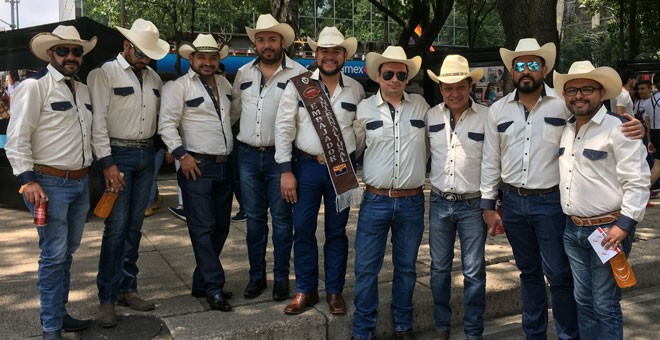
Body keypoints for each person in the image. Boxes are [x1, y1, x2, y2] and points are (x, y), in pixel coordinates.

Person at [480, 38, 643, 340]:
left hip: (551, 203)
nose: (525, 71)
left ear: (544, 68)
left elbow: (598, 123)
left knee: (559, 275)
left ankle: (569, 335)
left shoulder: (563, 103)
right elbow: (491, 159)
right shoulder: (498, 110)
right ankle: (535, 334)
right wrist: (488, 205)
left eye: (532, 64)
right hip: (513, 203)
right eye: (519, 65)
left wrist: (635, 128)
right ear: (512, 71)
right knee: (528, 275)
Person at [5, 25, 96, 340]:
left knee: (67, 253)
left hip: (81, 183)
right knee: (54, 255)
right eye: (63, 50)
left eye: (76, 51)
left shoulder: (82, 89)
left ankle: (60, 313)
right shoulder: (34, 87)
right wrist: (27, 180)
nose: (71, 56)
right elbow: (16, 139)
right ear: (50, 53)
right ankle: (50, 328)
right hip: (49, 185)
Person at [554, 60, 650, 340]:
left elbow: (638, 179)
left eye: (587, 89)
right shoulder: (567, 129)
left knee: (605, 304)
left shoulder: (620, 128)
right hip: (573, 231)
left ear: (601, 93)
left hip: (608, 232)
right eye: (572, 90)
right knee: (583, 300)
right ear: (565, 96)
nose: (579, 95)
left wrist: (624, 225)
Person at [275, 26, 365, 315]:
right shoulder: (297, 85)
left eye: (335, 51)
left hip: (341, 169)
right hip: (306, 169)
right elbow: (284, 128)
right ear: (315, 54)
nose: (329, 56)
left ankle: (335, 292)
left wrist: (353, 162)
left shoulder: (356, 88)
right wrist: (286, 170)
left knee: (337, 233)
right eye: (324, 51)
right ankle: (306, 290)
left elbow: (360, 131)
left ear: (344, 55)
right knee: (302, 229)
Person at [87, 18, 169, 327]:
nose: (145, 57)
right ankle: (107, 298)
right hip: (116, 156)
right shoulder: (103, 74)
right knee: (117, 227)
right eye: (140, 51)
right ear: (126, 46)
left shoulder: (154, 79)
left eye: (149, 52)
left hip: (147, 155)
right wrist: (106, 163)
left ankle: (127, 288)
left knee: (134, 226)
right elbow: (98, 124)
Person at [351, 46, 427, 340]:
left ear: (407, 79)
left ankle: (402, 326)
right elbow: (355, 148)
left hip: (412, 201)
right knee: (366, 269)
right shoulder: (364, 109)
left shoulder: (422, 107)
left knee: (407, 268)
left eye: (400, 74)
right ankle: (363, 330)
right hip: (375, 200)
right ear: (378, 77)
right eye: (388, 74)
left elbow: (432, 148)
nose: (394, 79)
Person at [230, 14, 307, 301]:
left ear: (282, 42)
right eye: (261, 39)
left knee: (283, 222)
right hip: (248, 157)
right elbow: (233, 114)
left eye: (272, 39)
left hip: (282, 159)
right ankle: (256, 277)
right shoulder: (243, 74)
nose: (266, 44)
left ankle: (280, 278)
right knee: (254, 222)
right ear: (255, 43)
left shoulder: (300, 74)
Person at [159, 34, 235, 312]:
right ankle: (214, 287)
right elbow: (166, 125)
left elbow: (232, 117)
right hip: (197, 166)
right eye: (202, 57)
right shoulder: (177, 87)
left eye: (212, 57)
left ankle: (201, 282)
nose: (207, 62)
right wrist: (182, 155)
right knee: (203, 229)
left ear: (218, 60)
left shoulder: (226, 85)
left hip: (225, 164)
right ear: (191, 59)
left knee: (221, 227)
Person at [426, 55, 488, 340]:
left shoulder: (487, 117)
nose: (454, 93)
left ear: (470, 86)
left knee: (474, 272)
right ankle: (441, 325)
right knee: (439, 270)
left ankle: (474, 331)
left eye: (460, 86)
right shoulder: (430, 116)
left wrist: (492, 203)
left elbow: (493, 163)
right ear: (440, 89)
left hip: (473, 205)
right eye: (448, 87)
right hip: (439, 202)